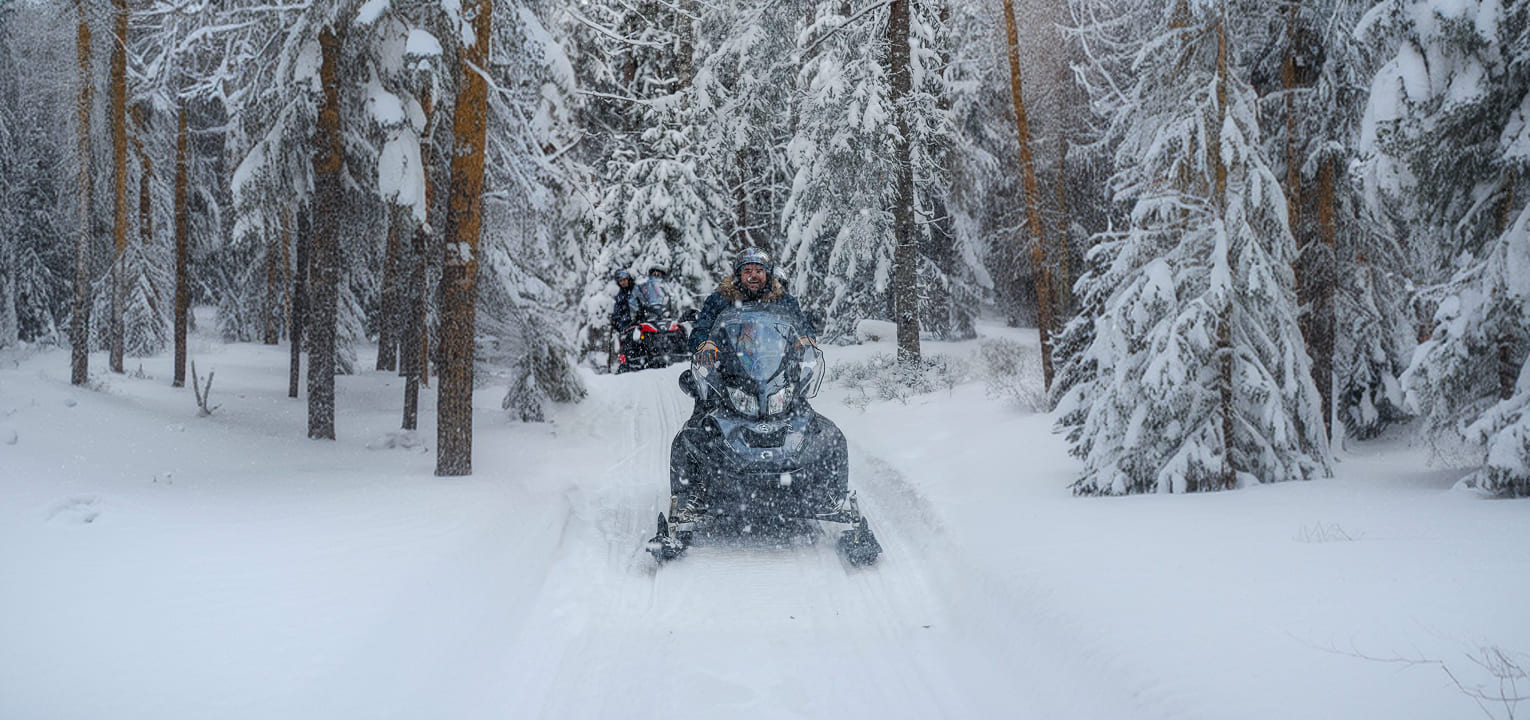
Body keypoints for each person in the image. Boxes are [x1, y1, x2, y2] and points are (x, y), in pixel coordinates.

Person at [690, 248, 815, 364]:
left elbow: (801, 325)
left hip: (776, 369)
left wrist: (805, 339)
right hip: (728, 370)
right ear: (739, 275)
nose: (753, 275)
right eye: (747, 271)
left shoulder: (784, 301)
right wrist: (706, 344)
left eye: (759, 271)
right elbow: (701, 329)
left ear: (767, 274)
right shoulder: (720, 299)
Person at [610, 270, 638, 371]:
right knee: (626, 342)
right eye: (621, 281)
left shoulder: (636, 290)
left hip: (640, 321)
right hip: (627, 325)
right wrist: (618, 322)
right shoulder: (620, 296)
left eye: (625, 280)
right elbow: (616, 312)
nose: (623, 282)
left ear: (628, 279)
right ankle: (626, 363)